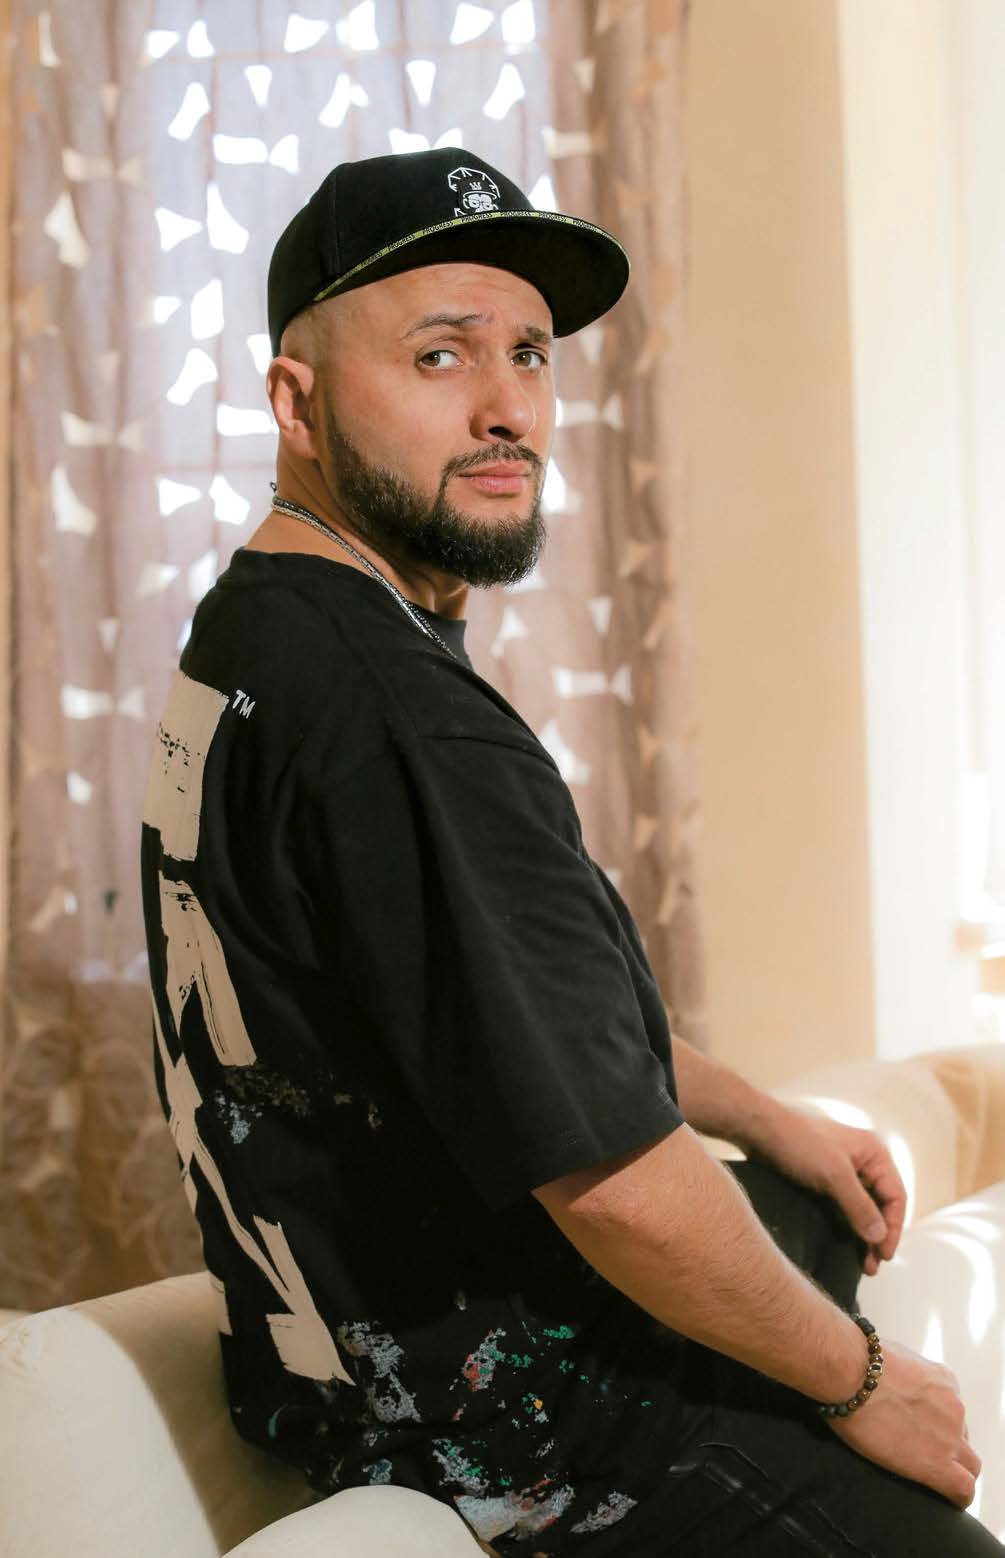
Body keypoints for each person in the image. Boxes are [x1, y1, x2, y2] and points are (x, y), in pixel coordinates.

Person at [140, 148, 1000, 1556]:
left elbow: (516, 1022)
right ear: (296, 401)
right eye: (439, 355)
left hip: (336, 1382)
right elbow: (616, 1187)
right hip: (534, 1432)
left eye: (529, 355)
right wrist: (861, 1382)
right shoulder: (396, 720)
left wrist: (765, 1117)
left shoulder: (258, 626)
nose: (507, 409)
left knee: (820, 1200)